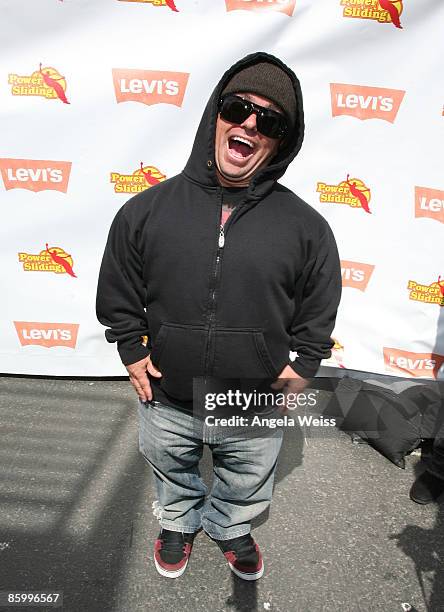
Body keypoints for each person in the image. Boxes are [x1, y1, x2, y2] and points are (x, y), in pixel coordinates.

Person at [96, 52, 342, 580]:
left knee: (246, 475)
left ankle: (230, 524)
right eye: (239, 108)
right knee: (172, 467)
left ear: (281, 141)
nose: (250, 123)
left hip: (251, 398)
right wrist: (131, 347)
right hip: (167, 391)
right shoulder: (146, 210)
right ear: (217, 115)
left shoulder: (307, 227)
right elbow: (119, 284)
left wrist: (305, 364)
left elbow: (319, 304)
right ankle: (180, 519)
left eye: (270, 120)